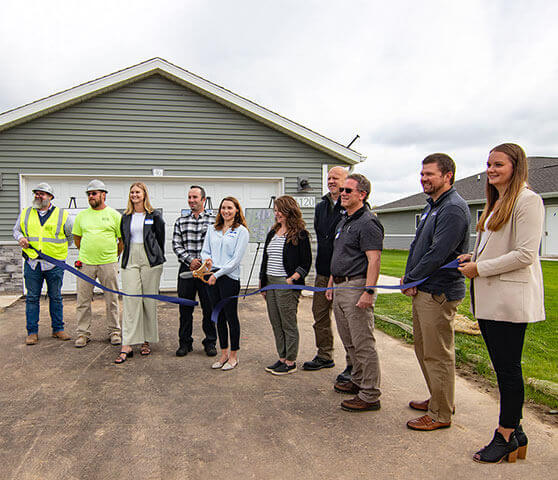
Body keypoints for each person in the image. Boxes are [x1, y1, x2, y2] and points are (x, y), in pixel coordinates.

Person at [458, 143, 544, 464]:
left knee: (508, 370)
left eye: (498, 165)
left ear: (515, 166)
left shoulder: (528, 201)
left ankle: (506, 434)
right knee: (502, 368)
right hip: (491, 300)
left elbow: (524, 255)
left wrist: (478, 268)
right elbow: (499, 247)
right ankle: (517, 432)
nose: (491, 169)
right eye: (489, 164)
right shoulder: (499, 202)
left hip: (510, 302)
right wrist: (473, 257)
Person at [401, 154, 470, 431]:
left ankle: (441, 414)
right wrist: (411, 277)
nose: (424, 179)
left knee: (437, 354)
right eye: (422, 174)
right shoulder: (434, 206)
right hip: (425, 289)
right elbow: (420, 246)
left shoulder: (452, 208)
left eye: (430, 174)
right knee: (424, 349)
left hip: (438, 291)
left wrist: (412, 278)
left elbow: (438, 253)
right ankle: (439, 399)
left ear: (448, 175)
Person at [326, 173, 383, 412]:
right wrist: (330, 282)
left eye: (349, 190)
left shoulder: (368, 222)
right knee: (349, 341)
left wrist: (368, 291)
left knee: (363, 342)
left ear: (363, 194)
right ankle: (357, 381)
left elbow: (374, 259)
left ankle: (370, 394)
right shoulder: (345, 220)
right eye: (342, 190)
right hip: (339, 287)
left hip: (356, 286)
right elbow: (339, 255)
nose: (343, 194)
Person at [303, 166, 353, 381]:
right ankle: (324, 355)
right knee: (320, 316)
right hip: (323, 272)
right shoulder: (321, 206)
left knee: (348, 321)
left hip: (345, 275)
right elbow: (322, 238)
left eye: (336, 178)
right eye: (329, 178)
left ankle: (353, 364)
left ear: (346, 180)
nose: (331, 181)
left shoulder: (353, 205)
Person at [13, 183, 73, 345]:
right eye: (36, 194)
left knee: (56, 297)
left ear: (50, 197)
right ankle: (32, 332)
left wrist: (56, 252)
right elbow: (16, 230)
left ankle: (58, 329)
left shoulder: (62, 215)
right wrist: (20, 238)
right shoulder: (26, 213)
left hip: (54, 265)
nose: (38, 196)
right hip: (32, 263)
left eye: (42, 194)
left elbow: (70, 237)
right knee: (32, 298)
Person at [260, 196, 311, 375]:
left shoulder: (300, 234)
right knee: (275, 322)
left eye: (279, 210)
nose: (277, 214)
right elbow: (265, 259)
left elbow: (306, 262)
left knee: (288, 323)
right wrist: (262, 281)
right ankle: (281, 357)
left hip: (286, 284)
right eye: (275, 210)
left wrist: (292, 279)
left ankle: (290, 361)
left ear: (289, 210)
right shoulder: (272, 233)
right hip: (270, 283)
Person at [115, 182, 166, 364]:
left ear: (144, 195)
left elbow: (160, 238)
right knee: (131, 300)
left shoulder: (154, 216)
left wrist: (155, 255)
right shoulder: (125, 217)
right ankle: (127, 343)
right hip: (131, 259)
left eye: (138, 192)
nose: (134, 195)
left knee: (148, 300)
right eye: (132, 192)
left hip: (150, 259)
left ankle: (146, 340)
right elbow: (124, 238)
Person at [72, 179, 123, 347]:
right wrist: (88, 253)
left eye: (94, 193)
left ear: (103, 195)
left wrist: (113, 257)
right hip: (86, 264)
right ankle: (82, 333)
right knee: (83, 300)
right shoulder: (82, 216)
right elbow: (77, 239)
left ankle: (114, 332)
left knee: (112, 299)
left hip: (108, 264)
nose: (91, 196)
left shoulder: (115, 215)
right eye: (89, 194)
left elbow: (121, 240)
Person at [201, 197, 249, 371]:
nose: (226, 211)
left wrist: (218, 274)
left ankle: (234, 356)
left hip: (229, 278)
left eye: (230, 208)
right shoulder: (212, 229)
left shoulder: (241, 231)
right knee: (218, 316)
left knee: (230, 317)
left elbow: (235, 261)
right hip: (212, 275)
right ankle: (223, 354)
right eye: (223, 208)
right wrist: (207, 261)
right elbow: (205, 250)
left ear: (237, 210)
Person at [173, 185, 217, 357]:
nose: (191, 200)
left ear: (203, 200)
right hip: (187, 270)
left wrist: (206, 263)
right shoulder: (181, 221)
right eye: (189, 197)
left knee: (209, 308)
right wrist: (190, 261)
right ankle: (185, 343)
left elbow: (218, 245)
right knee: (185, 309)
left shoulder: (215, 221)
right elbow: (176, 244)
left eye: (195, 197)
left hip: (207, 271)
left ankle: (210, 342)